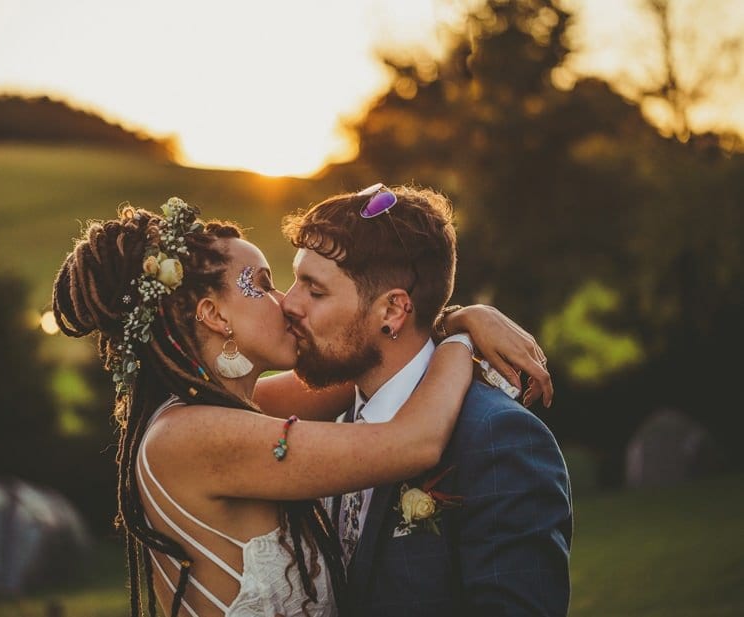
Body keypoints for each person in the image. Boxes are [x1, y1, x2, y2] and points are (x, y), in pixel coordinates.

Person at [51, 197, 551, 617]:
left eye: (304, 288)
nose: (286, 302)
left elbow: (373, 363)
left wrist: (457, 316)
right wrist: (461, 339)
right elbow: (411, 441)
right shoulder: (192, 435)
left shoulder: (235, 410)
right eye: (264, 284)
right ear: (214, 314)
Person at [278, 183, 573, 616]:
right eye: (295, 281)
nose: (288, 304)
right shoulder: (331, 415)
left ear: (394, 311)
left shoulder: (498, 438)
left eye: (314, 291)